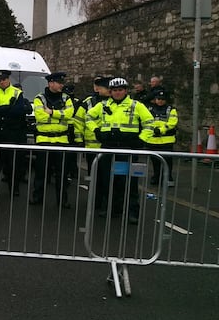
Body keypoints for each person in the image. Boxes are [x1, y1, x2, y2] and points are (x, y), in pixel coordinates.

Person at [86, 77, 154, 223]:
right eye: (115, 90)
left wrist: (142, 139)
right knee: (108, 180)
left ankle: (132, 212)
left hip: (127, 148)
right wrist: (96, 130)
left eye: (120, 90)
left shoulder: (136, 105)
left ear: (126, 90)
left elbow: (149, 123)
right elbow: (88, 117)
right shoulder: (103, 105)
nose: (117, 93)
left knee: (129, 182)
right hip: (108, 147)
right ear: (110, 92)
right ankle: (112, 209)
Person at [31, 72, 74, 207]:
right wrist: (59, 115)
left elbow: (69, 114)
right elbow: (40, 117)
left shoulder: (66, 98)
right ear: (50, 83)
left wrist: (51, 112)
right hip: (44, 140)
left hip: (62, 140)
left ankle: (62, 201)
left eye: (62, 83)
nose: (62, 85)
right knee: (41, 172)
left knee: (62, 174)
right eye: (59, 83)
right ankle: (37, 198)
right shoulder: (39, 98)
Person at [0, 70, 27, 194]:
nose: (2, 82)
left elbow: (18, 111)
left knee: (13, 163)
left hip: (12, 132)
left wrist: (1, 110)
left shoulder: (17, 93)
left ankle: (14, 188)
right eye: (0, 80)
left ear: (8, 79)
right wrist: (8, 107)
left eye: (4, 79)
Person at [73, 75, 112, 177]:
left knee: (108, 176)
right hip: (92, 147)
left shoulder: (115, 102)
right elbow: (79, 121)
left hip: (110, 146)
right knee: (94, 176)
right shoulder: (89, 102)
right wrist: (79, 140)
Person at [141, 89, 177, 186]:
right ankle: (156, 177)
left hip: (166, 140)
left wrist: (161, 130)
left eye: (162, 99)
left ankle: (168, 177)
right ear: (155, 99)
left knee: (167, 160)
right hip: (153, 140)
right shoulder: (149, 109)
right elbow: (146, 121)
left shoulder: (171, 109)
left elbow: (172, 123)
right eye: (158, 99)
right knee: (155, 161)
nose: (160, 101)